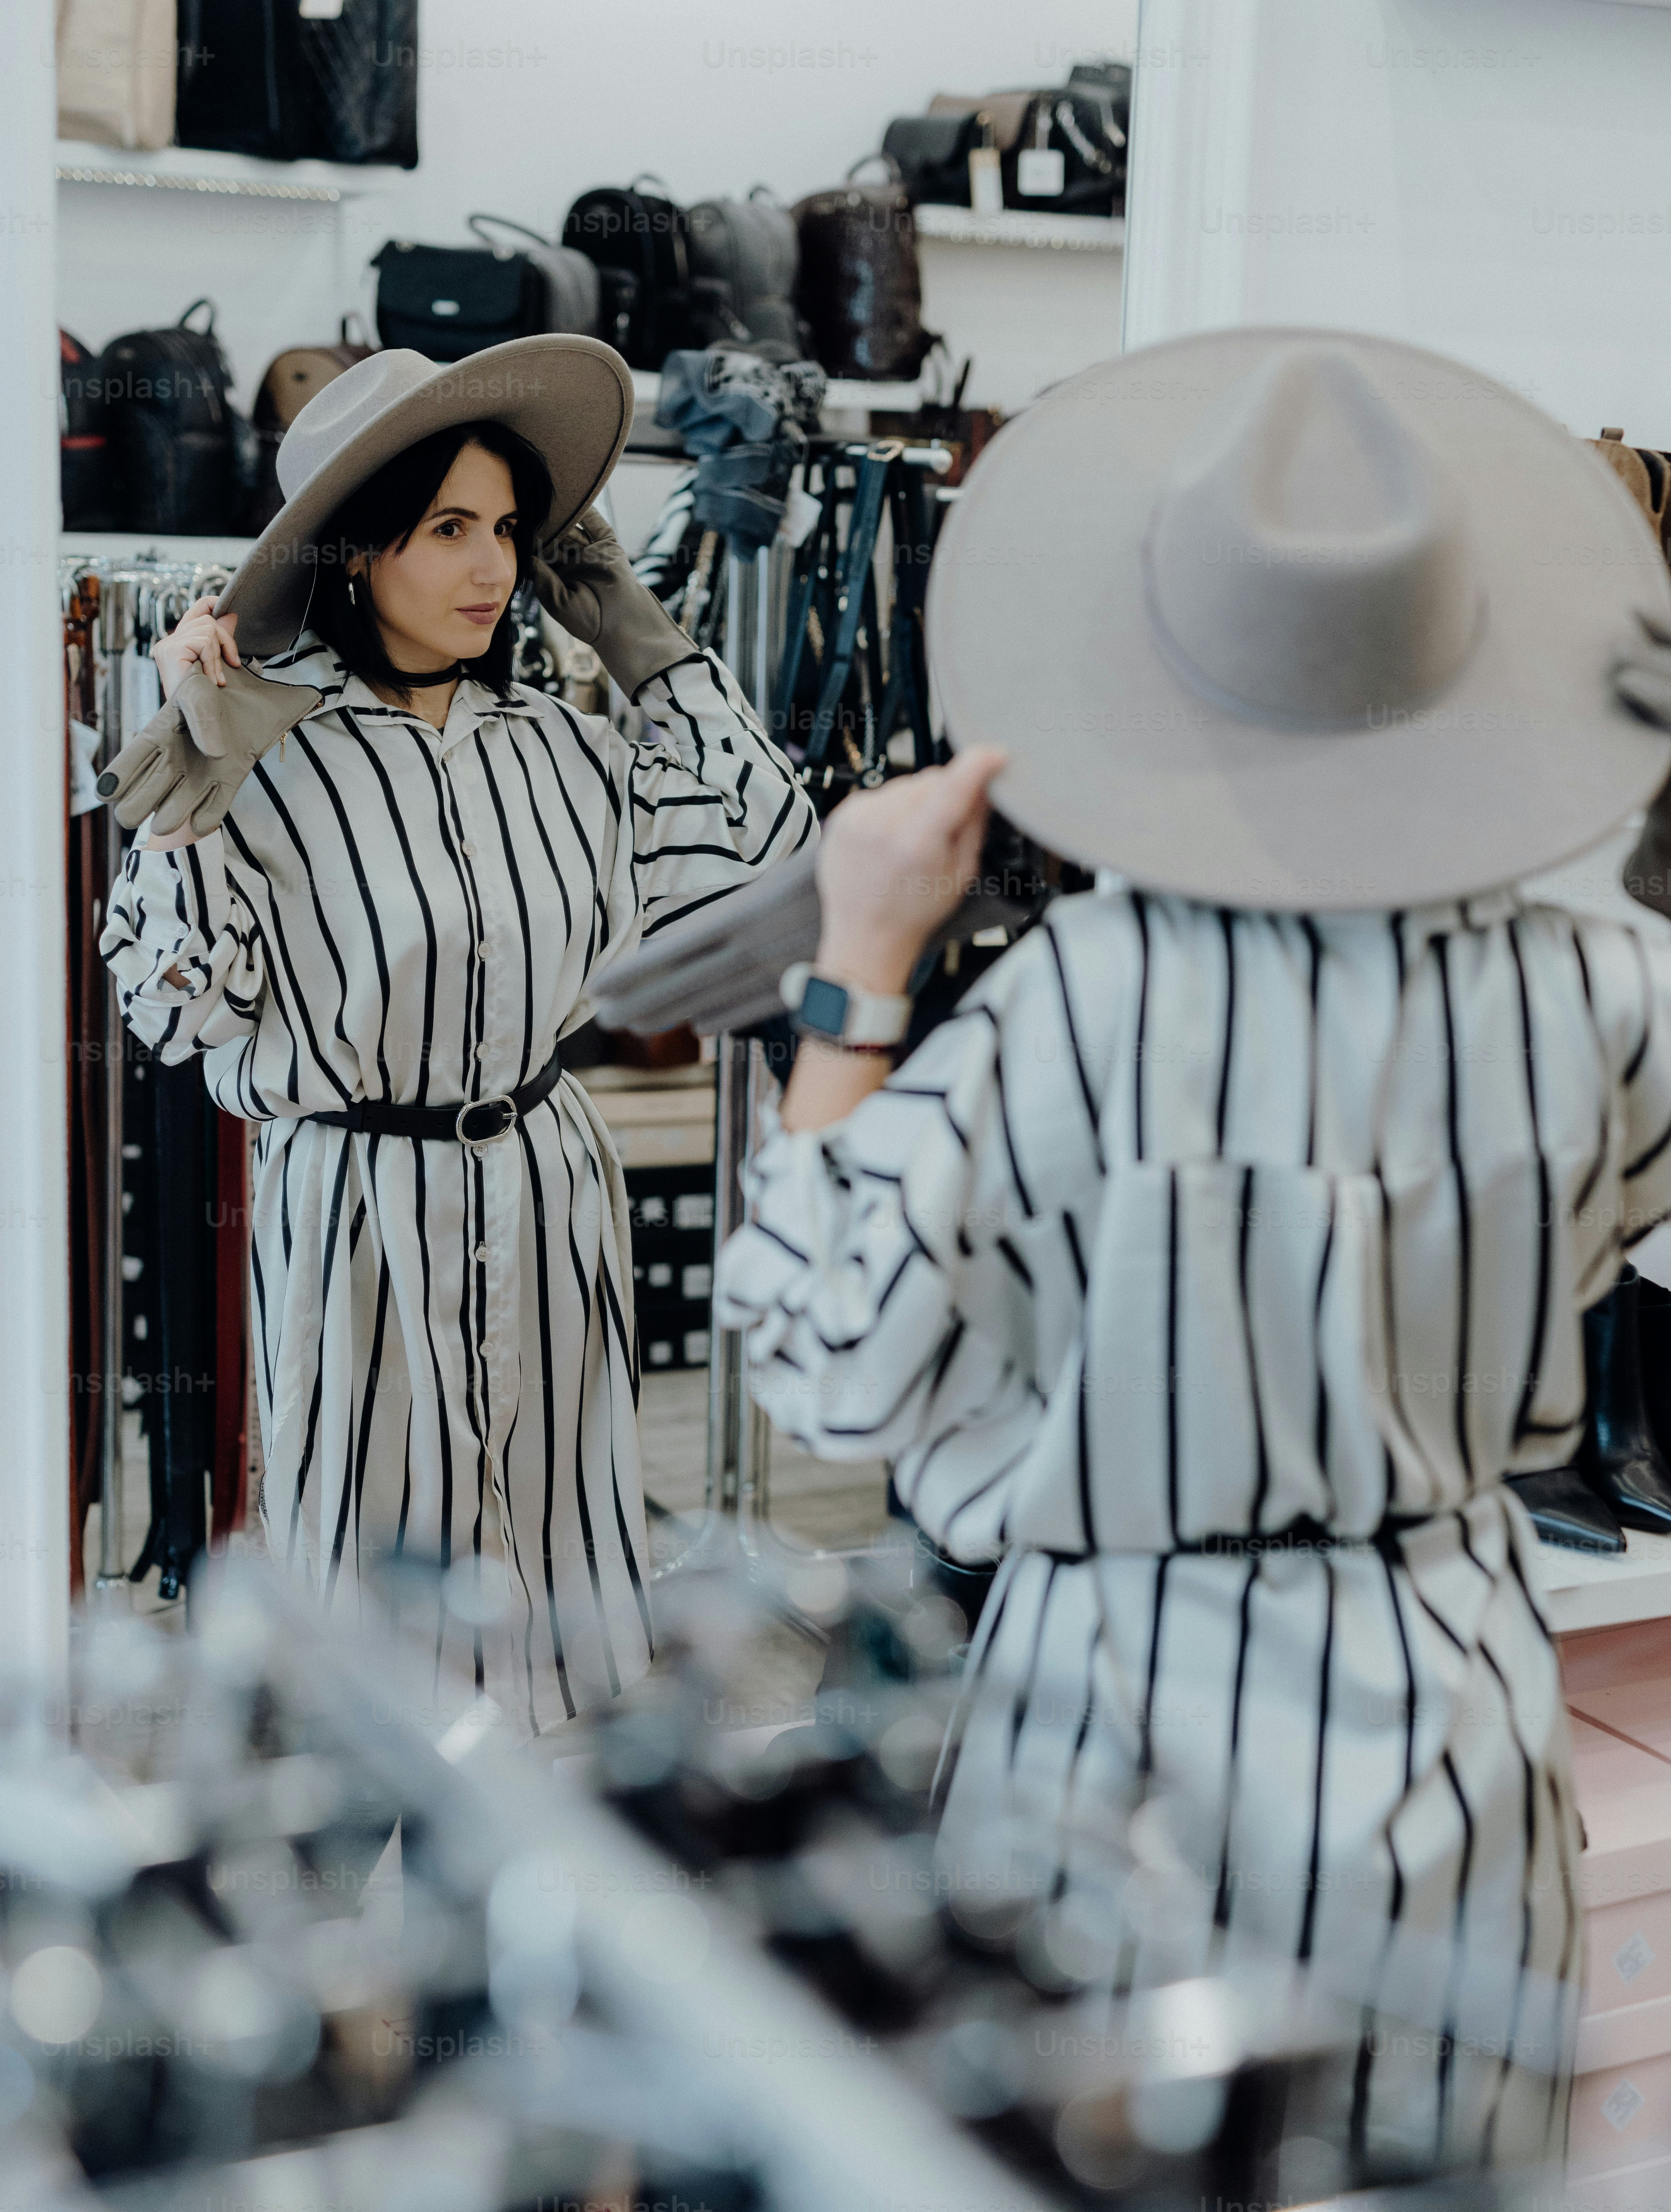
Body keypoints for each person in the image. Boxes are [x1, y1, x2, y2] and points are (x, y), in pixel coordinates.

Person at [714, 331, 1671, 2177]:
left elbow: (827, 1357)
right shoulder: (1604, 997)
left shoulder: (1086, 1001)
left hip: (1120, 1724)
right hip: (1447, 1709)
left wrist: (858, 972)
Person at [99, 340, 814, 1730]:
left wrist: (647, 648)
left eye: (505, 530)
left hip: (551, 1185)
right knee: (371, 1591)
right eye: (446, 531)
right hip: (359, 1211)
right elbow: (179, 1007)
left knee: (571, 1579)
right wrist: (189, 769)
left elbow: (773, 864)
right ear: (359, 551)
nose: (492, 566)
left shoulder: (564, 744)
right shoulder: (270, 759)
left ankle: (559, 1897)